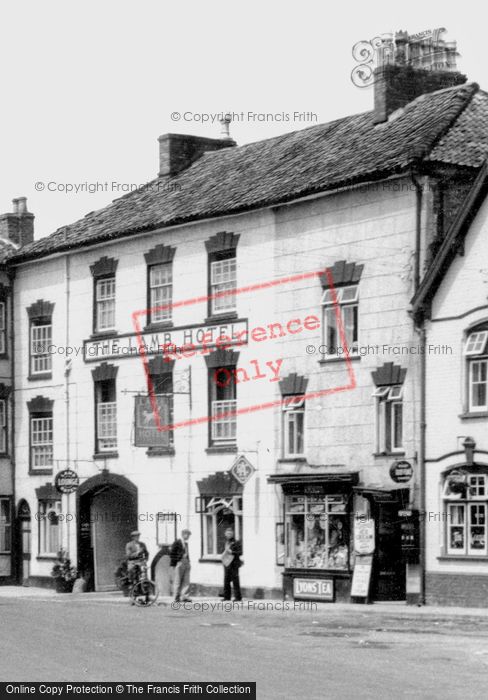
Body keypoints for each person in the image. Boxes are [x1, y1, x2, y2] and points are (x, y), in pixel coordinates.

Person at [170, 529, 192, 602]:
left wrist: (188, 562)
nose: (188, 536)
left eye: (189, 535)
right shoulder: (177, 542)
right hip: (179, 562)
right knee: (178, 580)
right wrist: (175, 563)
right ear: (183, 534)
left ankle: (184, 596)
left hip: (186, 562)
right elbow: (172, 553)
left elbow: (187, 553)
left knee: (186, 580)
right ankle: (176, 597)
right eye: (187, 534)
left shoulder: (186, 544)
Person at [221, 527, 242, 601]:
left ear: (232, 534)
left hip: (234, 563)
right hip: (227, 563)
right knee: (226, 580)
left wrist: (231, 552)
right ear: (225, 534)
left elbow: (240, 552)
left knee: (235, 581)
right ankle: (227, 597)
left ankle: (238, 597)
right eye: (227, 533)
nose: (228, 535)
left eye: (230, 533)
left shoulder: (236, 542)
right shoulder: (226, 542)